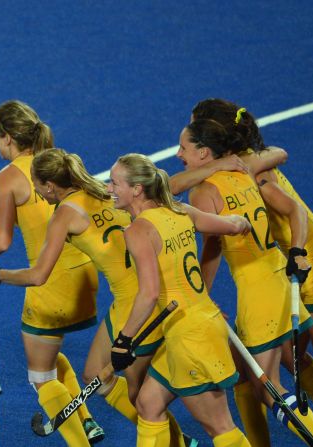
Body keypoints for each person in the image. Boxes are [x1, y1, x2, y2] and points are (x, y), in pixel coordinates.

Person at [176, 99, 313, 445]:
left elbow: (171, 197)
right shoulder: (241, 166)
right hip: (285, 270)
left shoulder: (244, 170)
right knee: (285, 361)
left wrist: (297, 251)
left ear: (209, 145)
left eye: (189, 138)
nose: (179, 150)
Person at [0, 148, 194, 446]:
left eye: (37, 186)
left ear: (50, 186)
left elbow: (39, 275)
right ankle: (178, 440)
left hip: (134, 304)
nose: (37, 192)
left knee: (142, 398)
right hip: (155, 289)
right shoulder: (107, 191)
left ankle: (175, 442)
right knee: (96, 374)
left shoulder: (64, 214)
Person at [0, 101, 101, 446]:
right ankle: (87, 421)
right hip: (86, 279)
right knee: (50, 352)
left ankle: (80, 441)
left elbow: (1, 241)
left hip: (49, 284)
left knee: (40, 376)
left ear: (8, 138)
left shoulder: (7, 179)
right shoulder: (60, 163)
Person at [108, 153, 253, 447]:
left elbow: (148, 293)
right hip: (198, 325)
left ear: (136, 189)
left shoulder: (137, 231)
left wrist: (124, 339)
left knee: (220, 427)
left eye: (114, 183)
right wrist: (243, 221)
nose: (109, 188)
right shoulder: (181, 210)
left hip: (190, 338)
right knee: (149, 403)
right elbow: (233, 226)